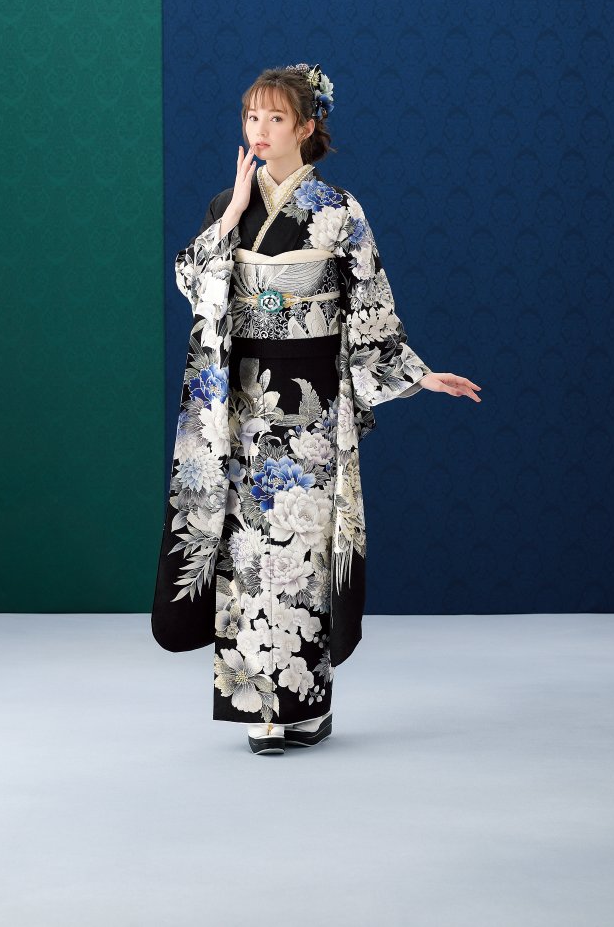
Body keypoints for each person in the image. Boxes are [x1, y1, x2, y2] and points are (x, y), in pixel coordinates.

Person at [151, 62, 482, 755]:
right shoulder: (227, 204)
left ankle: (306, 706)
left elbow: (369, 311)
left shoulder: (338, 210)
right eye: (252, 117)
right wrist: (233, 215)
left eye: (275, 118)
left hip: (310, 406)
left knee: (300, 550)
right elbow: (192, 282)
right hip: (243, 403)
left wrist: (419, 375)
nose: (260, 130)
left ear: (306, 127)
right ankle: (260, 707)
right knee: (246, 551)